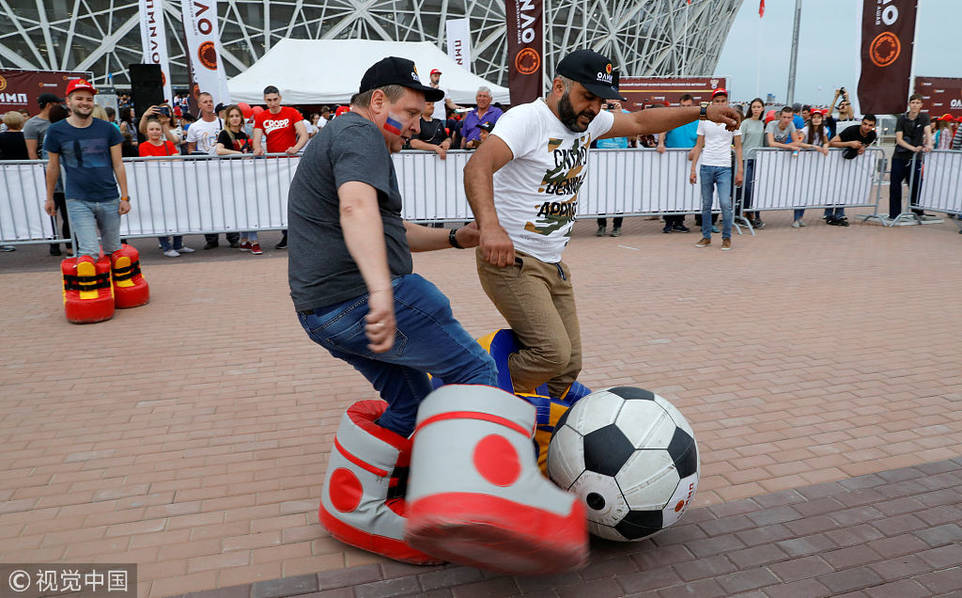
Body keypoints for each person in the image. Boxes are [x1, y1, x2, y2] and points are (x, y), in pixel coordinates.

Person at [463, 49, 738, 399]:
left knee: (568, 365)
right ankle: (470, 394)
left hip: (552, 263)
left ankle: (543, 434)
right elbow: (477, 166)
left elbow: (640, 122)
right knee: (551, 354)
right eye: (587, 97)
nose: (594, 108)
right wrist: (489, 227)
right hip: (511, 259)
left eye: (601, 100)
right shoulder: (526, 120)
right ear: (559, 86)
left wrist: (703, 111)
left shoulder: (588, 122)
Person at [288, 55, 498, 437]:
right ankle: (472, 486)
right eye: (411, 113)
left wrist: (455, 238)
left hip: (320, 312)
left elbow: (387, 231)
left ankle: (364, 485)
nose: (417, 126)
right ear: (379, 103)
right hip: (357, 300)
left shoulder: (344, 134)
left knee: (411, 407)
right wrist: (382, 291)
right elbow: (356, 208)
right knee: (476, 371)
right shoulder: (359, 132)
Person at [42, 79, 130, 259]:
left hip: (109, 198)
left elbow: (118, 164)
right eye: (79, 98)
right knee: (89, 251)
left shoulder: (108, 129)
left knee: (114, 250)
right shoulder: (56, 131)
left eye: (89, 99)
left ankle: (114, 286)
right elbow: (52, 167)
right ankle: (92, 287)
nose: (85, 103)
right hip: (78, 200)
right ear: (68, 101)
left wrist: (125, 197)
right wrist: (49, 197)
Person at [253, 85, 309, 249]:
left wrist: (296, 148)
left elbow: (304, 134)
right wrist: (258, 148)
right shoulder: (261, 116)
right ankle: (287, 234)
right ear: (264, 100)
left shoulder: (291, 112)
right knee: (278, 200)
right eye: (269, 100)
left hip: (291, 162)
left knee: (295, 198)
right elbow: (256, 139)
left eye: (275, 99)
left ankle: (296, 234)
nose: (272, 103)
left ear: (280, 98)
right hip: (273, 163)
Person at [690, 88, 743, 251]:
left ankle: (726, 237)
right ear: (713, 103)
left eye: (723, 101)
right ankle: (706, 236)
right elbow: (699, 145)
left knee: (725, 203)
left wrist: (740, 169)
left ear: (727, 103)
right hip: (706, 165)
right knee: (706, 204)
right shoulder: (704, 120)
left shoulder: (734, 120)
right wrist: (693, 169)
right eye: (717, 101)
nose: (720, 104)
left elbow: (739, 147)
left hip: (724, 167)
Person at [139, 119, 194, 257]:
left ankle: (178, 244)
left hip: (172, 184)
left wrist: (161, 160)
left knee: (177, 213)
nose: (155, 132)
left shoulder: (168, 144)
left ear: (162, 131)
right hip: (154, 186)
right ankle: (166, 246)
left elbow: (177, 158)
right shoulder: (143, 146)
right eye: (151, 129)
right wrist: (167, 160)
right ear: (147, 132)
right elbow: (149, 161)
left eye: (157, 129)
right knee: (160, 215)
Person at [24, 94, 71, 255]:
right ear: (50, 105)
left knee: (67, 211)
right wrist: (41, 174)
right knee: (51, 210)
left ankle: (69, 242)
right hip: (47, 173)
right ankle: (54, 243)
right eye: (58, 103)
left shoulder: (65, 123)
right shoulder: (32, 124)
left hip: (65, 175)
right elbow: (32, 153)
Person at [215, 105, 261, 255]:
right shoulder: (224, 134)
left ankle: (245, 239)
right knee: (243, 207)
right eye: (232, 116)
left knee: (248, 206)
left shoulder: (242, 134)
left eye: (237, 115)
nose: (235, 118)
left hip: (244, 175)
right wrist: (237, 153)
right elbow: (219, 150)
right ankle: (252, 241)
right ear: (227, 119)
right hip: (232, 176)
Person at [656, 94, 697, 233]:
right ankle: (668, 221)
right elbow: (662, 129)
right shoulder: (673, 118)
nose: (685, 109)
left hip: (689, 161)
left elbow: (702, 139)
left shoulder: (697, 121)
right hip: (671, 161)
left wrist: (696, 149)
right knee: (670, 191)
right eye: (683, 106)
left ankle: (679, 221)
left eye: (688, 106)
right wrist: (661, 143)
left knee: (684, 191)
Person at [889, 94, 933, 222]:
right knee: (895, 186)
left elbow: (928, 131)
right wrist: (913, 148)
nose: (915, 105)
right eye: (913, 102)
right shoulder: (902, 119)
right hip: (900, 156)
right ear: (909, 104)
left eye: (918, 103)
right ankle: (894, 214)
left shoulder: (924, 117)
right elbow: (899, 139)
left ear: (921, 105)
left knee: (916, 185)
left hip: (916, 158)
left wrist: (929, 144)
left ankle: (917, 211)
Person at [829, 113, 879, 223]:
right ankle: (828, 213)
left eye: (870, 125)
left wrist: (863, 147)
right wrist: (849, 144)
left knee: (846, 186)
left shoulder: (872, 135)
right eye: (865, 124)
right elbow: (831, 142)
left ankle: (839, 213)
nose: (866, 127)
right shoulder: (851, 130)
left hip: (851, 165)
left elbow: (866, 145)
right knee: (834, 186)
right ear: (861, 122)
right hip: (836, 162)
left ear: (873, 126)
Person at [595, 100, 630, 237]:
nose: (611, 103)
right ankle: (601, 225)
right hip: (602, 157)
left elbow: (634, 135)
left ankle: (617, 225)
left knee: (619, 193)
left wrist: (620, 115)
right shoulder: (598, 114)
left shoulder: (626, 114)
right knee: (601, 193)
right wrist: (600, 112)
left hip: (621, 157)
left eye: (613, 101)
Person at [765, 106, 804, 226]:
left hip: (777, 158)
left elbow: (797, 141)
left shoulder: (791, 125)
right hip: (764, 158)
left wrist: (794, 145)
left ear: (792, 118)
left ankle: (798, 218)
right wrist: (790, 146)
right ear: (779, 117)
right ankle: (754, 215)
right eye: (784, 117)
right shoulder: (771, 125)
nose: (786, 120)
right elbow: (771, 143)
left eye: (789, 117)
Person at [797, 109, 834, 225]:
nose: (816, 119)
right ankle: (797, 218)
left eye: (819, 117)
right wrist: (814, 147)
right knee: (801, 190)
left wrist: (826, 146)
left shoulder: (823, 130)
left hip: (816, 163)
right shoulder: (806, 129)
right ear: (811, 119)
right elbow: (798, 142)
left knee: (812, 188)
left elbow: (827, 141)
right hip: (804, 160)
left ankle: (800, 217)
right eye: (814, 117)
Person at [739, 97, 766, 229]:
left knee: (756, 188)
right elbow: (740, 142)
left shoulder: (762, 124)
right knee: (747, 187)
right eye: (754, 107)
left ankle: (755, 214)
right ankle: (744, 213)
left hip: (758, 159)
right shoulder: (745, 123)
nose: (756, 109)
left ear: (762, 109)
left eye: (758, 107)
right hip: (745, 158)